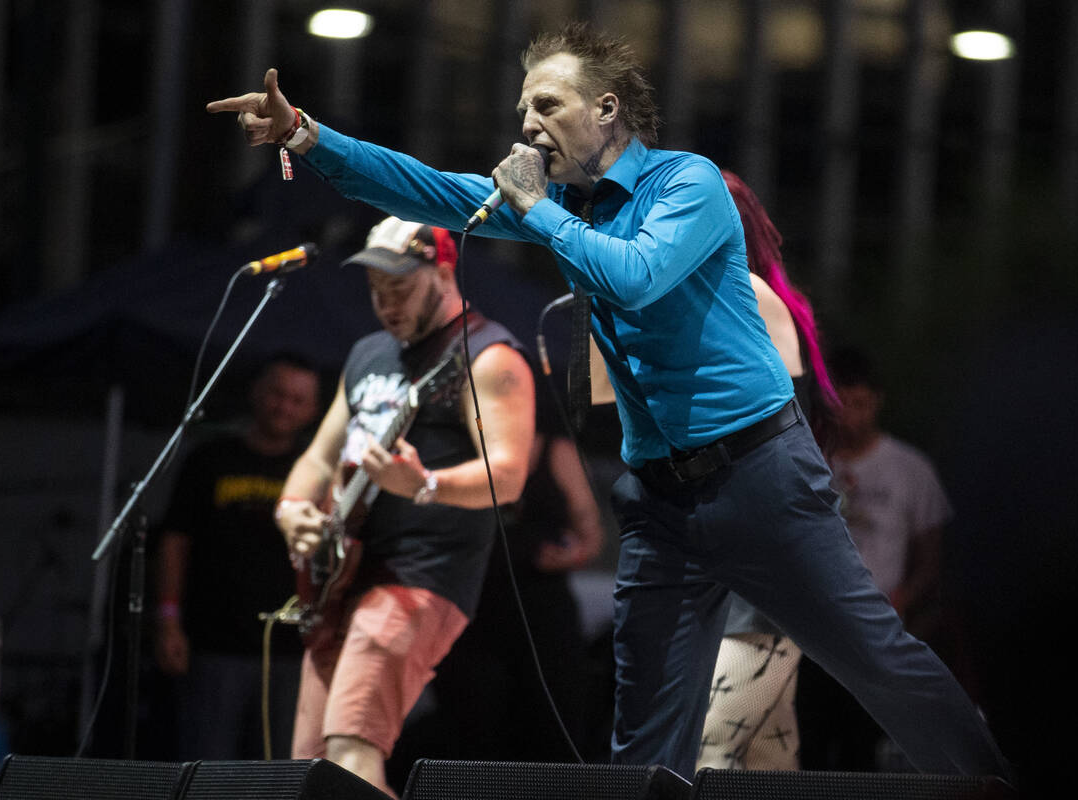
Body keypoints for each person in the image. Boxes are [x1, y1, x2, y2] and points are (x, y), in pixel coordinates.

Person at [207, 23, 1010, 782]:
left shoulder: (685, 182)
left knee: (877, 662)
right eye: (522, 106)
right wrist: (307, 137)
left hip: (759, 477)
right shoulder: (571, 210)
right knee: (647, 722)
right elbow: (426, 189)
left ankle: (994, 781)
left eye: (546, 104)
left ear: (607, 110)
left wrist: (534, 209)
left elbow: (634, 275)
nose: (526, 122)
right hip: (661, 500)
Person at [269, 216, 535, 795]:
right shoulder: (369, 354)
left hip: (422, 576)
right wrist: (292, 507)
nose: (385, 305)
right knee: (312, 772)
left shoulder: (489, 356)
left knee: (350, 751)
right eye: (375, 292)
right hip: (345, 576)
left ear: (442, 275)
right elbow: (318, 457)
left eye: (400, 289)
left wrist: (423, 485)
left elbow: (509, 474)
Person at [695, 170, 839, 771]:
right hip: (746, 556)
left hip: (764, 563)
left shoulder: (748, 301)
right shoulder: (744, 302)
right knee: (767, 757)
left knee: (711, 755)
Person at [389, 416, 605, 782]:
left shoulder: (555, 449)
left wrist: (570, 555)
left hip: (541, 610)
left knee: (553, 725)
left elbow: (590, 535)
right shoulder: (455, 445)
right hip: (470, 608)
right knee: (472, 731)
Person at [154, 354, 321, 760]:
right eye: (277, 394)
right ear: (257, 393)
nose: (285, 407)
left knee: (280, 770)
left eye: (298, 400)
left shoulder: (316, 470)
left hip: (291, 649)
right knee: (205, 766)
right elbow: (174, 542)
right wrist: (167, 620)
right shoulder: (209, 459)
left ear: (314, 411)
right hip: (214, 643)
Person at [796, 346, 954, 772]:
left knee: (860, 750)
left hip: (879, 632)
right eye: (841, 402)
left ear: (877, 401)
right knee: (810, 747)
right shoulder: (808, 461)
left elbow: (932, 560)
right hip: (815, 633)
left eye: (860, 403)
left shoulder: (910, 469)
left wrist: (904, 601)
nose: (850, 414)